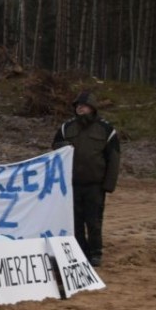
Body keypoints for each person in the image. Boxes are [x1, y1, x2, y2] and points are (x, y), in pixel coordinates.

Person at [52, 91, 120, 267]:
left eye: (83, 105)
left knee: (94, 221)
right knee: (75, 222)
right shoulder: (66, 128)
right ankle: (80, 251)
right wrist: (62, 146)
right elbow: (54, 151)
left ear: (92, 108)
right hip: (71, 185)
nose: (80, 108)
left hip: (95, 185)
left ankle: (96, 253)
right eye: (77, 106)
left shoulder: (106, 129)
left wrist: (108, 185)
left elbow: (114, 158)